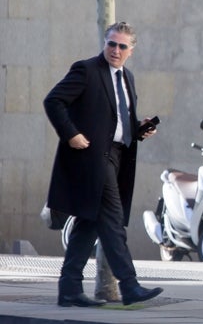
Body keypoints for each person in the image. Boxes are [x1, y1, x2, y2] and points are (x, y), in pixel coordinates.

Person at [44, 22, 163, 307]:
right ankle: (130, 285)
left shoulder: (127, 78)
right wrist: (70, 133)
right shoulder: (86, 70)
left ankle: (69, 289)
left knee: (89, 224)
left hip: (118, 156)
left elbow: (116, 122)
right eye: (112, 44)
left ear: (131, 51)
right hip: (92, 159)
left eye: (122, 46)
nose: (116, 50)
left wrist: (139, 128)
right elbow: (54, 100)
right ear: (105, 43)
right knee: (112, 219)